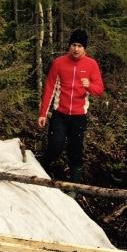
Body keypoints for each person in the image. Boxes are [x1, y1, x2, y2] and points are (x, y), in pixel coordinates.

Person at [37, 29, 105, 183]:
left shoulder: (91, 64)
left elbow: (100, 90)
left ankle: (74, 186)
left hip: (79, 116)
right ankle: (40, 171)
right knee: (55, 146)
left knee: (76, 151)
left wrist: (89, 86)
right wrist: (43, 114)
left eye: (80, 46)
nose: (76, 49)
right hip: (60, 114)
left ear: (84, 48)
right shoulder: (59, 63)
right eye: (73, 45)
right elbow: (49, 88)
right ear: (69, 46)